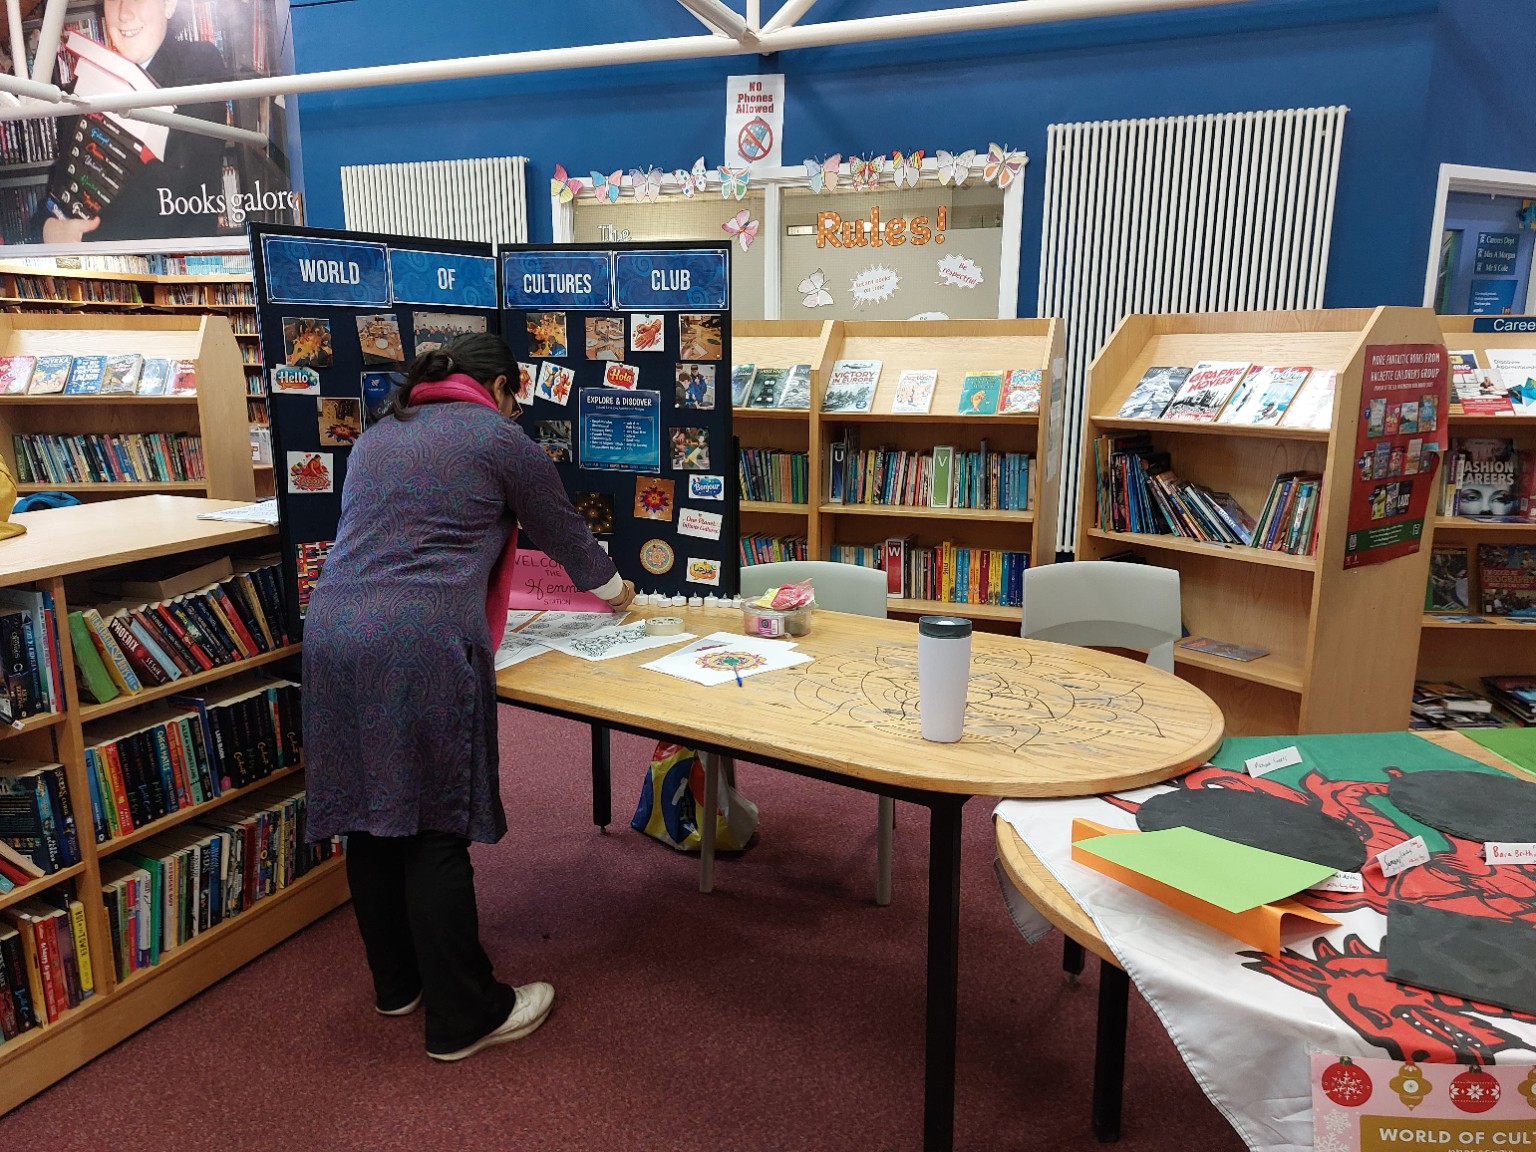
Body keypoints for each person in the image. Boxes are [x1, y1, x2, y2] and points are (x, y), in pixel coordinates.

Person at [302, 333, 635, 1062]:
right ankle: (465, 1013)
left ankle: (398, 985)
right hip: (418, 640)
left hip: (332, 631)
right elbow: (565, 533)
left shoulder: (382, 434)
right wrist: (619, 593)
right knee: (432, 825)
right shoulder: (498, 437)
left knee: (369, 815)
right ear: (506, 388)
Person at [37, 0, 229, 243]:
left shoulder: (200, 62)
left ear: (169, 5)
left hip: (172, 265)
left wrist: (93, 238)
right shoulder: (84, 84)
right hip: (93, 269)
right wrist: (47, 228)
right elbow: (61, 184)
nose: (124, 13)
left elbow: (184, 182)